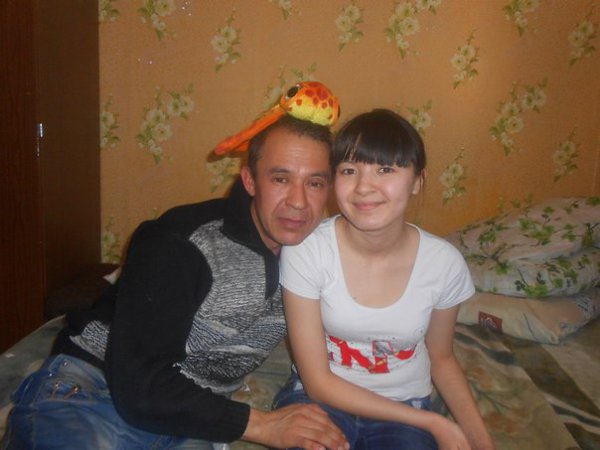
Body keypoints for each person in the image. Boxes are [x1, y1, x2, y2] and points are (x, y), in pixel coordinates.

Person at [1, 113, 350, 450]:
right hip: (95, 391)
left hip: (186, 419)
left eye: (315, 183)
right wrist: (265, 425)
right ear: (249, 180)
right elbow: (140, 384)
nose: (298, 202)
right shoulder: (183, 242)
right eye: (280, 179)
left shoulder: (318, 254)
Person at [274, 109, 495, 449]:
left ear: (418, 180)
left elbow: (441, 357)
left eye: (386, 169)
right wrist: (434, 422)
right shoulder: (308, 249)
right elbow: (317, 382)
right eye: (349, 170)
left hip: (404, 404)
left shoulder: (443, 264)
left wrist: (481, 441)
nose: (364, 187)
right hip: (319, 400)